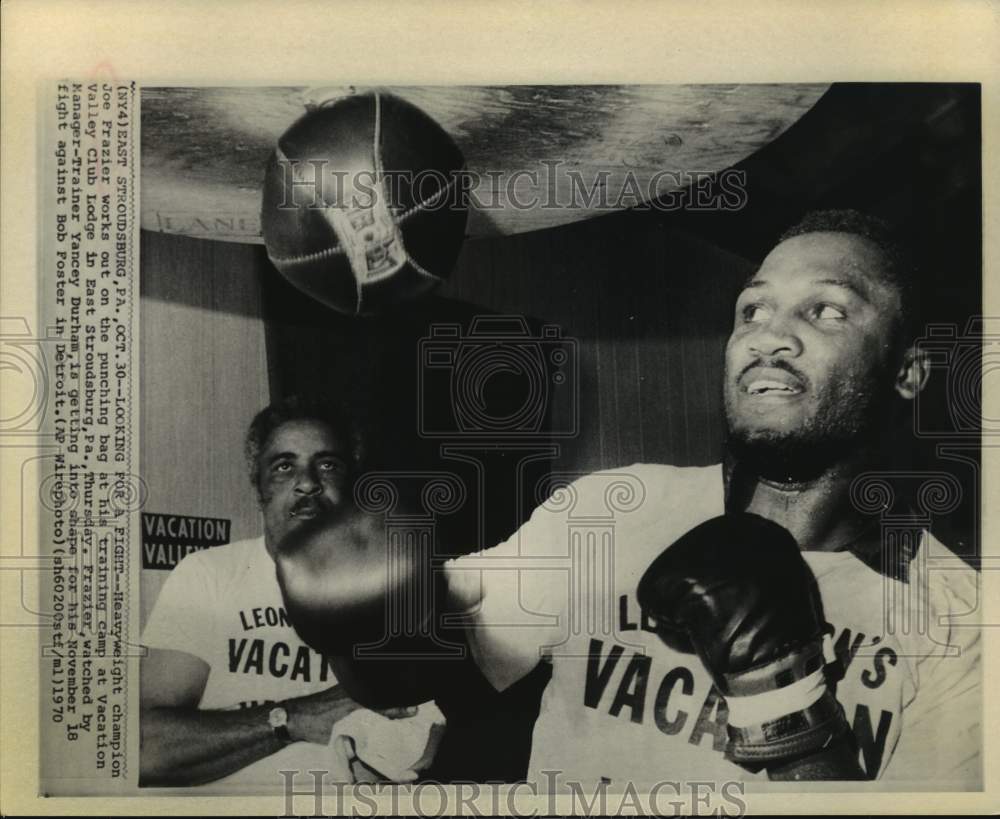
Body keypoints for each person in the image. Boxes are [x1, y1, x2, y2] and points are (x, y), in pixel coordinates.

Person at [443, 210, 981, 789]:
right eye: (753, 309)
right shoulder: (614, 510)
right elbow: (415, 672)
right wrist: (370, 598)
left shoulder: (963, 625)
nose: (767, 335)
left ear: (908, 369)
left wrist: (783, 702)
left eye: (825, 309)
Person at [139, 395, 437, 787]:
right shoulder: (207, 575)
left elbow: (422, 739)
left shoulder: (391, 585)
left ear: (352, 484)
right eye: (284, 466)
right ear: (258, 487)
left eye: (328, 465)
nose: (308, 483)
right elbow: (144, 749)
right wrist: (293, 719)